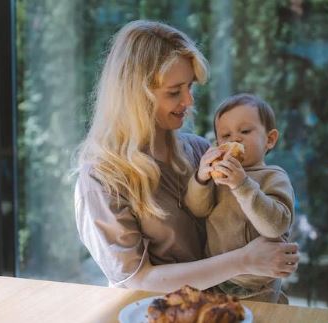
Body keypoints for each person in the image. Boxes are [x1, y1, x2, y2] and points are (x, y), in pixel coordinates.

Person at [74, 20, 299, 293]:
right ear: (135, 97)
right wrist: (245, 261)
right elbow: (137, 280)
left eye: (190, 87)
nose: (189, 101)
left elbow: (251, 216)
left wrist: (272, 254)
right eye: (174, 92)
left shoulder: (199, 150)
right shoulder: (101, 178)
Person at [184, 94, 295, 303]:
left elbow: (276, 226)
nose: (235, 139)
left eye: (245, 131)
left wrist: (241, 185)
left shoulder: (274, 176)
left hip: (259, 285)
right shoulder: (218, 177)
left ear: (269, 139)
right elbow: (196, 210)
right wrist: (200, 178)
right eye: (225, 135)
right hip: (215, 279)